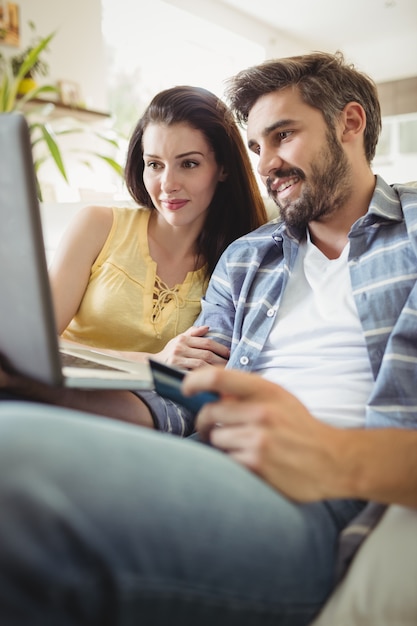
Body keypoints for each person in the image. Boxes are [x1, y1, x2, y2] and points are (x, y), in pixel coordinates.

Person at [0, 51, 417, 625]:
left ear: (350, 124)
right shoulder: (249, 257)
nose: (267, 163)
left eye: (284, 135)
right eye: (256, 146)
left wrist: (335, 455)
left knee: (13, 460)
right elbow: (180, 397)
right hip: (208, 461)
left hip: (317, 499)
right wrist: (33, 383)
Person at [50, 85, 267, 366]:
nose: (167, 185)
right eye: (154, 164)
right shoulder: (96, 225)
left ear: (223, 168)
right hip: (55, 391)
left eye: (188, 164)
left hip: (142, 409)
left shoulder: (239, 264)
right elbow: (35, 344)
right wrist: (151, 361)